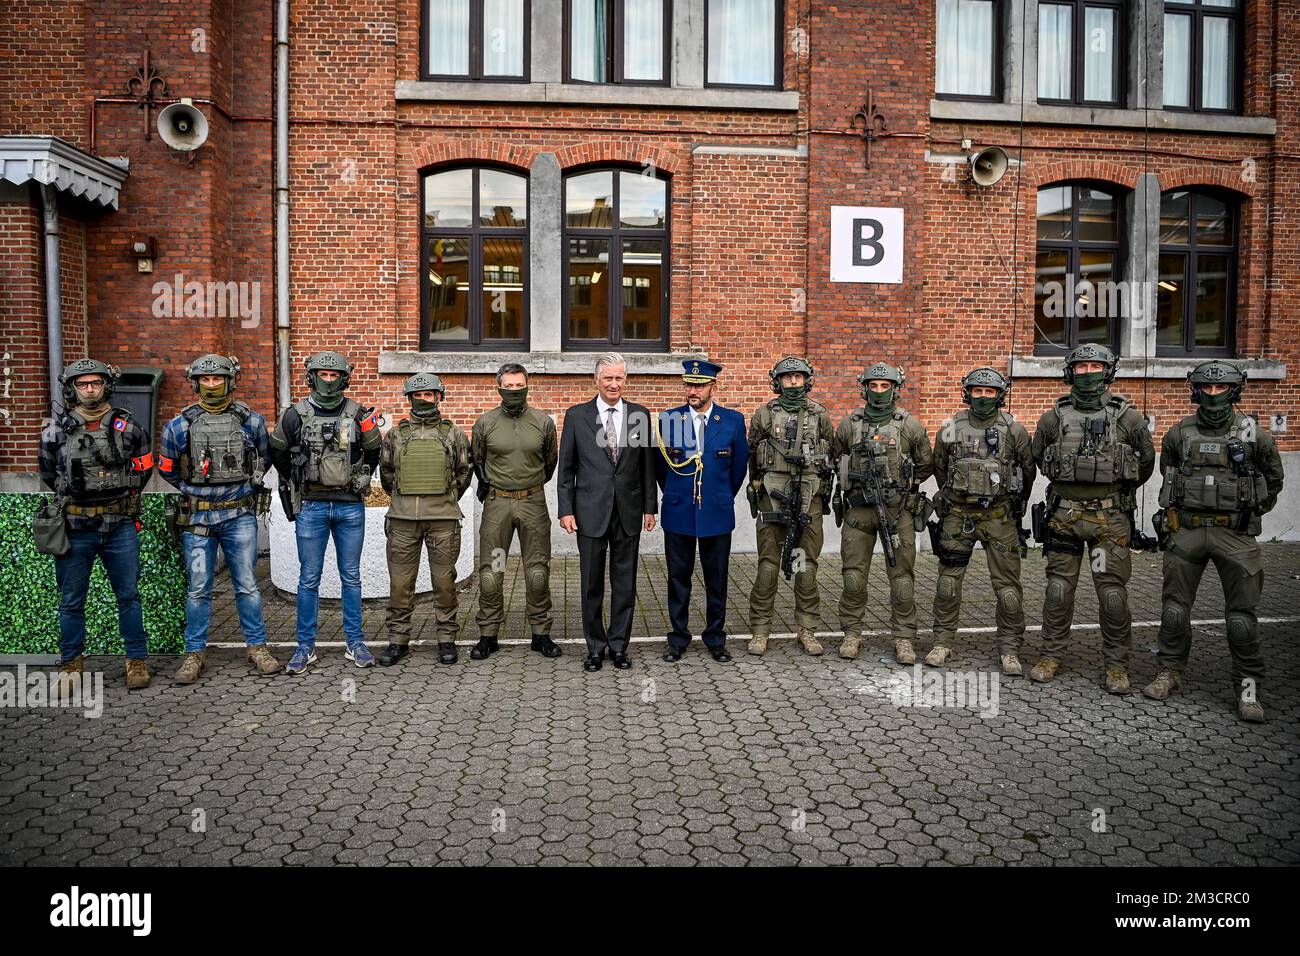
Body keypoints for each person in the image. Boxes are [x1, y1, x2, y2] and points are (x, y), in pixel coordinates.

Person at [1144, 361, 1284, 722]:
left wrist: (1247, 515)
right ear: (1195, 390)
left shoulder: (1256, 434)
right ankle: (1170, 671)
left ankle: (1248, 688)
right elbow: (1169, 473)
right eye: (1205, 388)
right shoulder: (1178, 433)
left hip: (1235, 535)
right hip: (1187, 531)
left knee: (1241, 618)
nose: (1212, 395)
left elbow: (1273, 481)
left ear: (1234, 390)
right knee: (1174, 610)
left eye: (1220, 389)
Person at [1029, 344, 1155, 692]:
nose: (1088, 373)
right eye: (1081, 367)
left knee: (1112, 595)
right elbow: (1038, 458)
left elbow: (1144, 465)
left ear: (1108, 370)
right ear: (1070, 372)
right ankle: (1051, 655)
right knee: (1057, 590)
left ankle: (1117, 665)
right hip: (1064, 517)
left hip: (1109, 522)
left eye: (1095, 366)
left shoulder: (1128, 417)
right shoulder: (1053, 417)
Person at [157, 354, 281, 683]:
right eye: (205, 380)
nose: (212, 385)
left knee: (248, 585)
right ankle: (194, 653)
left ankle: (257, 647)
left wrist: (241, 487)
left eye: (218, 379)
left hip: (239, 516)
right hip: (197, 519)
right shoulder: (179, 424)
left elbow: (263, 459)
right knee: (198, 588)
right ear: (196, 383)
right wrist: (194, 490)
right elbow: (166, 468)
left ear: (229, 381)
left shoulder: (250, 421)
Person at [38, 359, 154, 691]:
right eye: (83, 384)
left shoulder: (129, 428)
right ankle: (71, 667)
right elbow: (49, 473)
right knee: (71, 600)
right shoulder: (54, 431)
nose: (90, 389)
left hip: (118, 525)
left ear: (107, 386)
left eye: (96, 383)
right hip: (74, 528)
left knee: (129, 596)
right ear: (71, 389)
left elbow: (143, 469)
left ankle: (136, 662)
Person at [269, 351, 382, 675]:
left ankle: (355, 642)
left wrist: (365, 473)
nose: (328, 380)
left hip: (349, 507)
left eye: (334, 376)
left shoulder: (358, 413)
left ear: (344, 378)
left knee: (351, 577)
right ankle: (305, 647)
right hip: (312, 506)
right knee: (309, 579)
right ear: (312, 377)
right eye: (323, 374)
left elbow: (374, 449)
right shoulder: (294, 415)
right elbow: (276, 451)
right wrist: (296, 477)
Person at [926, 367, 1034, 674]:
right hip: (958, 517)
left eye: (988, 392)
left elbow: (1028, 471)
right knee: (948, 582)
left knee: (1008, 588)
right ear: (967, 393)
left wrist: (1014, 502)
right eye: (977, 391)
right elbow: (940, 467)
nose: (982, 397)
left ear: (999, 395)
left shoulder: (1014, 429)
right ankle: (942, 641)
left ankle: (1010, 647)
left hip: (999, 518)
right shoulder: (950, 427)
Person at [557, 353, 658, 671]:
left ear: (625, 380)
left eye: (619, 378)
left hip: (627, 511)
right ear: (596, 379)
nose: (614, 384)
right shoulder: (577, 416)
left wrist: (649, 508)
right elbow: (567, 469)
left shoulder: (638, 415)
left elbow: (646, 466)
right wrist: (566, 510)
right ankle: (595, 647)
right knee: (591, 584)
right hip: (589, 511)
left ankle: (618, 646)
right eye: (608, 378)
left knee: (625, 583)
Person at [832, 363, 933, 663]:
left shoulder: (910, 425)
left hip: (897, 512)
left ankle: (903, 638)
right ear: (864, 388)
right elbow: (838, 457)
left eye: (884, 386)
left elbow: (926, 464)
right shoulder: (850, 424)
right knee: (853, 577)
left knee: (902, 579)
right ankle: (852, 633)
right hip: (858, 513)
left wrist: (905, 483)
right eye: (873, 386)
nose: (878, 391)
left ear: (895, 388)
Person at [655, 359, 749, 663]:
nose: (692, 390)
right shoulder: (670, 420)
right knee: (678, 577)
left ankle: (715, 638)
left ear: (713, 387)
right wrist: (677, 494)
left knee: (716, 578)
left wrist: (719, 496)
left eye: (699, 385)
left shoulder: (732, 421)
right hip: (679, 511)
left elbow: (737, 469)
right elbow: (662, 468)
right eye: (688, 385)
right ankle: (678, 638)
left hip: (716, 512)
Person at [377, 373, 471, 667]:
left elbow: (463, 473)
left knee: (444, 582)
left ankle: (446, 639)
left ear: (438, 397)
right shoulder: (395, 434)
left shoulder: (453, 433)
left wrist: (441, 498)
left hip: (443, 519)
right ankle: (398, 641)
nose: (423, 399)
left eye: (428, 395)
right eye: (417, 395)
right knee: (401, 584)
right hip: (403, 520)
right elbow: (387, 475)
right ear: (410, 399)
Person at [470, 363, 560, 661]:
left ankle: (541, 632)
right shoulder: (485, 423)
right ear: (499, 388)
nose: (514, 391)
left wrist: (528, 485)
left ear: (527, 385)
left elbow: (550, 465)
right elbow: (478, 459)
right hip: (498, 506)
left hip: (533, 502)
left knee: (537, 569)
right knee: (492, 572)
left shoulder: (543, 422)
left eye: (519, 385)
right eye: (508, 386)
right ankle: (488, 634)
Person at [746, 356, 835, 656]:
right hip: (772, 494)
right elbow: (752, 453)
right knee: (768, 567)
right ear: (778, 382)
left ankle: (807, 630)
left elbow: (831, 455)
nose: (793, 383)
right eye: (788, 378)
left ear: (807, 380)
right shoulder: (764, 414)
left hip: (809, 498)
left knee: (805, 566)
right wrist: (755, 488)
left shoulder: (820, 415)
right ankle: (760, 631)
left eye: (798, 377)